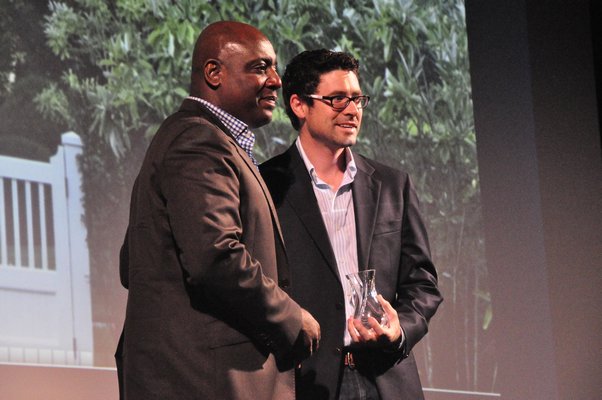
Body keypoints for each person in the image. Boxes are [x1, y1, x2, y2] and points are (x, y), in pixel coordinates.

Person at [115, 21, 320, 400]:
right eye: (260, 67)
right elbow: (216, 259)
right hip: (205, 381)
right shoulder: (199, 141)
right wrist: (291, 319)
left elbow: (134, 261)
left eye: (274, 67)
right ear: (213, 72)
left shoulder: (195, 139)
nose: (276, 80)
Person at [260, 49, 442, 399]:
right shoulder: (267, 185)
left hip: (387, 378)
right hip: (307, 382)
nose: (352, 109)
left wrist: (398, 328)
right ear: (299, 105)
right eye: (337, 99)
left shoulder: (392, 184)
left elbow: (423, 284)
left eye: (357, 98)